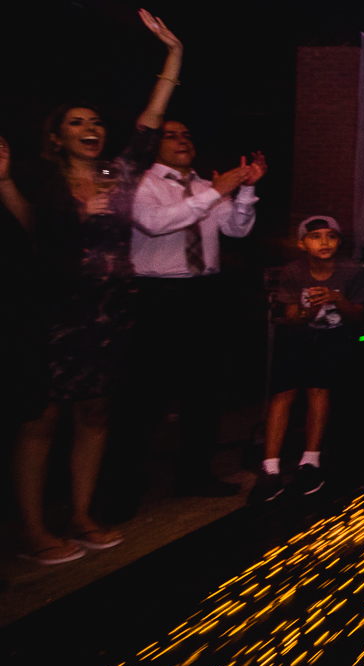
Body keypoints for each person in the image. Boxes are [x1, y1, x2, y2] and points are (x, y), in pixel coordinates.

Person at [1, 10, 183, 563]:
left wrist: (174, 54)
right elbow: (31, 231)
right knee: (41, 421)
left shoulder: (119, 174)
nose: (91, 128)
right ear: (57, 137)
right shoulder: (42, 179)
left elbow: (151, 118)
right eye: (78, 122)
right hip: (56, 314)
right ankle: (33, 530)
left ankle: (81, 515)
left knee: (96, 415)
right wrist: (6, 183)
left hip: (110, 315)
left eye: (97, 122)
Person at [113, 120, 265, 504]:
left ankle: (195, 476)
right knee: (146, 394)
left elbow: (237, 229)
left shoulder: (205, 185)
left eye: (187, 135)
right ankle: (123, 483)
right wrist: (216, 191)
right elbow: (154, 224)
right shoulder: (142, 182)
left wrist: (246, 189)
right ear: (154, 144)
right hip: (157, 295)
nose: (183, 140)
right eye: (171, 135)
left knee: (205, 391)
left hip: (205, 294)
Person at [251, 217, 364, 504]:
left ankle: (310, 462)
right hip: (298, 336)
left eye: (331, 236)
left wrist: (336, 299)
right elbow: (291, 318)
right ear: (302, 244)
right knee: (284, 392)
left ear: (339, 241)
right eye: (315, 237)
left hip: (336, 338)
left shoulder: (351, 270)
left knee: (318, 388)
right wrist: (310, 311)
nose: (324, 242)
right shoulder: (294, 270)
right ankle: (270, 468)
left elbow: (358, 316)